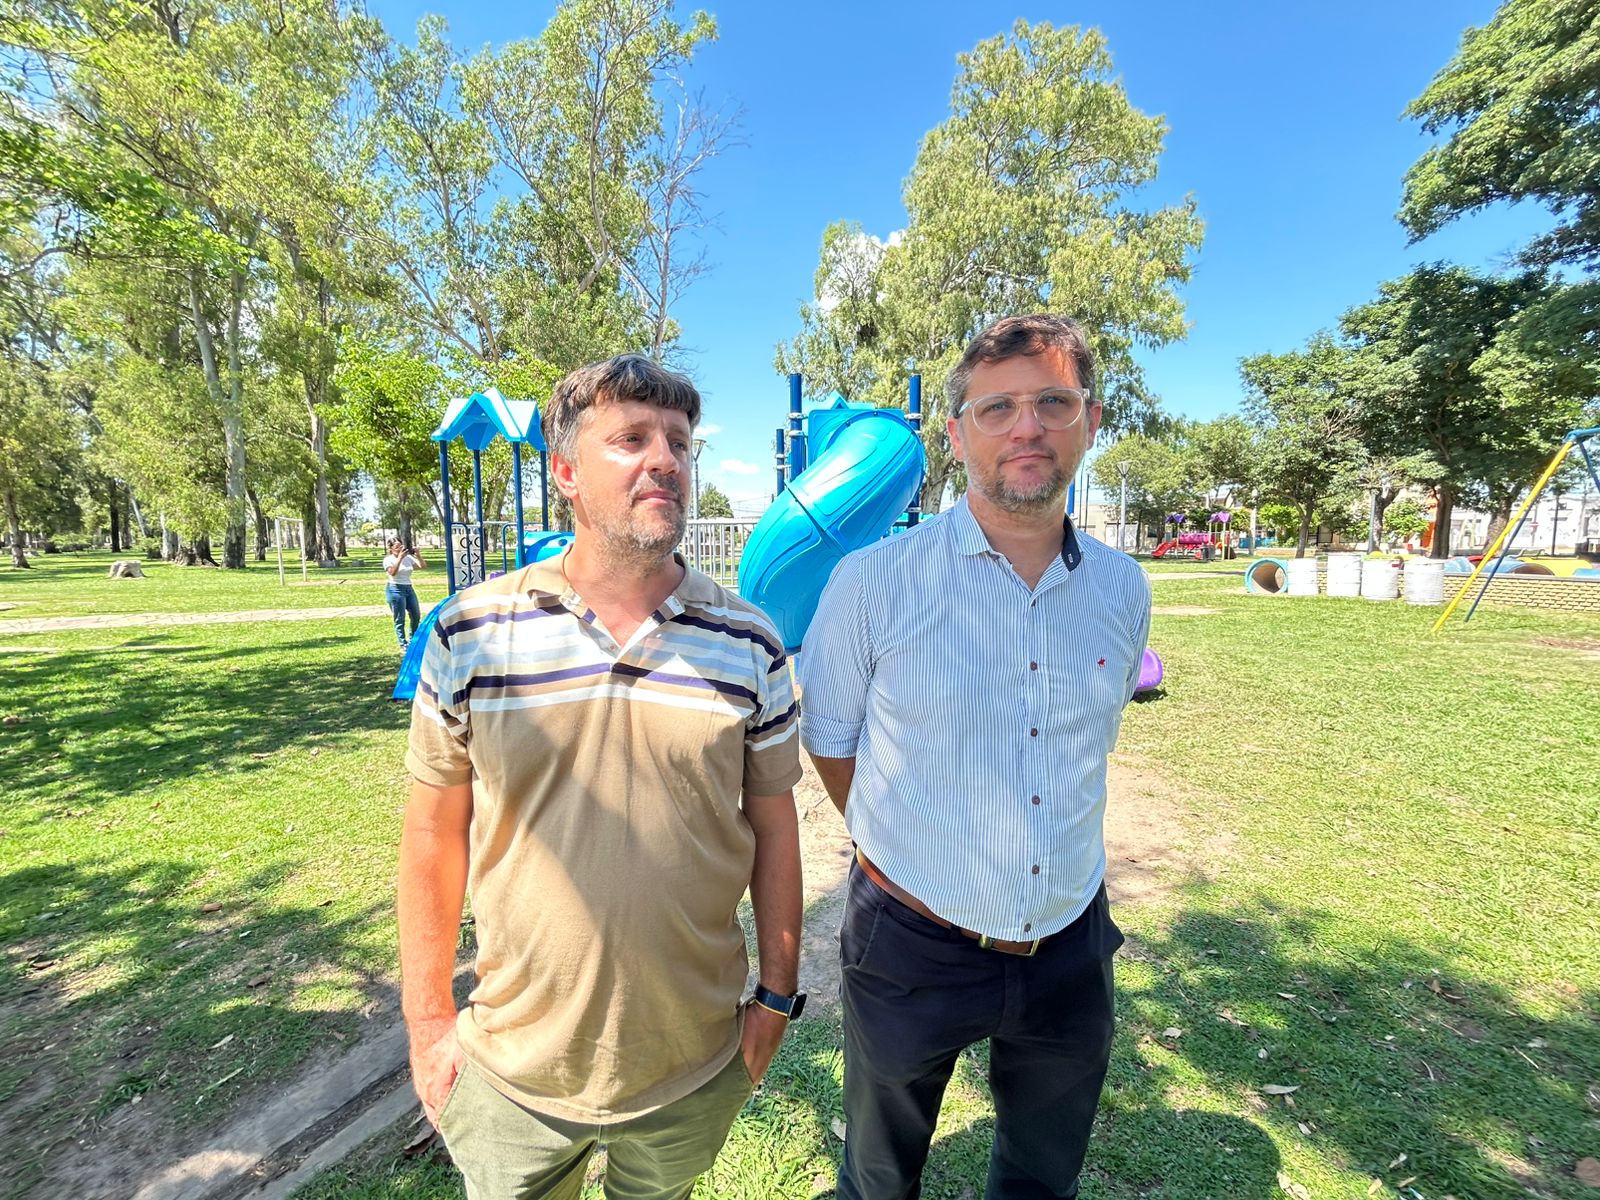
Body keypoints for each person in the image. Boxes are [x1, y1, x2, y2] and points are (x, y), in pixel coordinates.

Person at [398, 354, 804, 1200]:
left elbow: (775, 827)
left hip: (691, 1062)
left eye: (679, 443)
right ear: (566, 472)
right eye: (631, 439)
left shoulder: (750, 643)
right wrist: (429, 1021)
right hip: (513, 1070)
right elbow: (432, 834)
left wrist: (775, 999)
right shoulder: (471, 633)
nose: (665, 460)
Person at [800, 314, 1152, 1200]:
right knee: (879, 1176)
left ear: (1090, 421)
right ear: (957, 436)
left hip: (1070, 938)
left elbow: (1091, 746)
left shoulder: (1123, 588)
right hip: (911, 938)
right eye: (997, 408)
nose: (1027, 427)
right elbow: (832, 744)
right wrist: (915, 851)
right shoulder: (872, 582)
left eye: (1052, 403)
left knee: (1042, 1176)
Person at [383, 537, 425, 649]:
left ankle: (413, 640)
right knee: (399, 618)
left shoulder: (408, 558)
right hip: (395, 589)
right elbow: (392, 572)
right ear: (391, 549)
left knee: (416, 615)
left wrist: (418, 555)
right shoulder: (388, 560)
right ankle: (403, 643)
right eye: (397, 547)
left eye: (401, 546)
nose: (400, 549)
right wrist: (400, 558)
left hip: (408, 588)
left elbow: (422, 566)